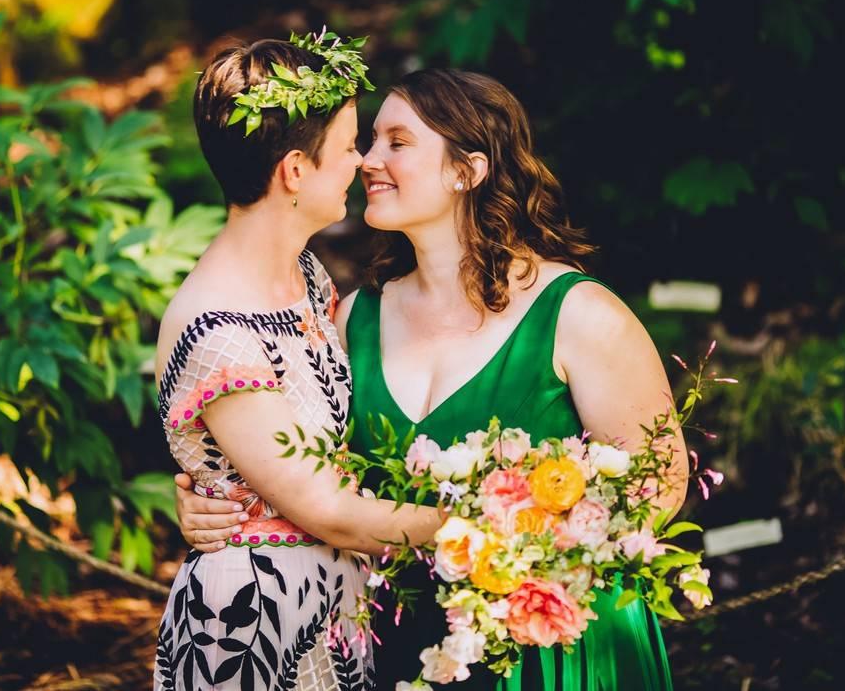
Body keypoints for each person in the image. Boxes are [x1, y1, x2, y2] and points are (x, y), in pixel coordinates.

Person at [175, 68, 686, 690]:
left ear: (466, 171)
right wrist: (219, 500)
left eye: (397, 142)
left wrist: (531, 555)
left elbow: (659, 485)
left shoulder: (578, 314)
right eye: (367, 141)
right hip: (403, 650)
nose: (367, 160)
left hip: (557, 647)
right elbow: (301, 461)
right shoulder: (351, 316)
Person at [152, 34, 440, 691]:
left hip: (332, 605)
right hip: (252, 622)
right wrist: (480, 530)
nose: (364, 161)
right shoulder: (217, 328)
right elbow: (326, 506)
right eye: (348, 147)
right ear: (294, 171)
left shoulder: (305, 275)